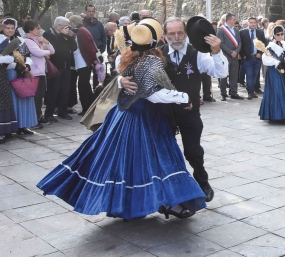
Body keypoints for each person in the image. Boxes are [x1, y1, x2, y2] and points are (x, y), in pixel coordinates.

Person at [38, 18, 206, 220]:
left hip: (123, 115)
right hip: (144, 118)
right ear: (156, 38)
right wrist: (185, 97)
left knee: (128, 163)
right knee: (156, 161)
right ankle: (167, 203)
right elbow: (151, 93)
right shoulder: (151, 61)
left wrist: (120, 80)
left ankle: (133, 205)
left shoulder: (128, 55)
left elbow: (122, 76)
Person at [147, 17, 228, 202]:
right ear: (165, 35)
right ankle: (171, 188)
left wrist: (216, 52)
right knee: (165, 152)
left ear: (186, 33)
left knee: (193, 151)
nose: (176, 37)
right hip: (164, 114)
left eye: (180, 33)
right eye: (171, 33)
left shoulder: (198, 53)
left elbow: (221, 73)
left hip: (189, 113)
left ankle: (202, 181)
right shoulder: (158, 54)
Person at [259, 25, 285, 125]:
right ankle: (275, 115)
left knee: (284, 92)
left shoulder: (283, 44)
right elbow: (265, 59)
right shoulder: (270, 46)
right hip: (274, 72)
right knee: (276, 92)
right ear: (274, 35)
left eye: (282, 34)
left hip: (282, 72)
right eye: (278, 34)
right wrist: (276, 63)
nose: (280, 36)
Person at [43, 17, 77, 122]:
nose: (68, 28)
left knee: (65, 90)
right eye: (66, 26)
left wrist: (70, 37)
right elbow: (56, 48)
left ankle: (62, 111)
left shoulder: (66, 35)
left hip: (66, 67)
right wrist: (62, 35)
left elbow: (74, 47)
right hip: (54, 67)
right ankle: (49, 114)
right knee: (53, 90)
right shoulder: (48, 34)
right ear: (58, 26)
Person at [22, 20, 52, 128]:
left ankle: (39, 117)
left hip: (41, 72)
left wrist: (46, 42)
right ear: (30, 30)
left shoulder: (39, 40)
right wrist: (45, 51)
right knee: (35, 97)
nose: (39, 30)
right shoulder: (28, 41)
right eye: (37, 28)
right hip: (33, 73)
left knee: (40, 97)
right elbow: (38, 53)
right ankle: (34, 119)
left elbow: (52, 50)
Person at [70, 15, 99, 115]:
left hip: (84, 62)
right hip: (83, 62)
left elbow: (88, 47)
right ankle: (89, 107)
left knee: (83, 86)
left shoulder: (81, 31)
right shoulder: (83, 30)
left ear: (73, 23)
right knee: (84, 85)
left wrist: (92, 59)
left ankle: (87, 108)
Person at [216, 13, 243, 101]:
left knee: (234, 74)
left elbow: (240, 42)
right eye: (234, 19)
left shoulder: (236, 30)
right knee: (223, 75)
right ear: (229, 20)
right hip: (225, 56)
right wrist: (230, 51)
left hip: (234, 56)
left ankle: (233, 92)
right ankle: (223, 93)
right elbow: (220, 43)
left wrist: (236, 51)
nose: (235, 21)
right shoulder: (221, 30)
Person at [239, 17, 267, 100]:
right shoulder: (242, 32)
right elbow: (240, 44)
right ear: (248, 23)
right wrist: (243, 55)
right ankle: (250, 92)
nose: (253, 24)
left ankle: (252, 90)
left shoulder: (260, 33)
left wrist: (261, 53)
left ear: (257, 23)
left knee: (255, 75)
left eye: (254, 22)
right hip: (247, 58)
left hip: (257, 58)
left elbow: (264, 44)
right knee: (249, 75)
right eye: (251, 22)